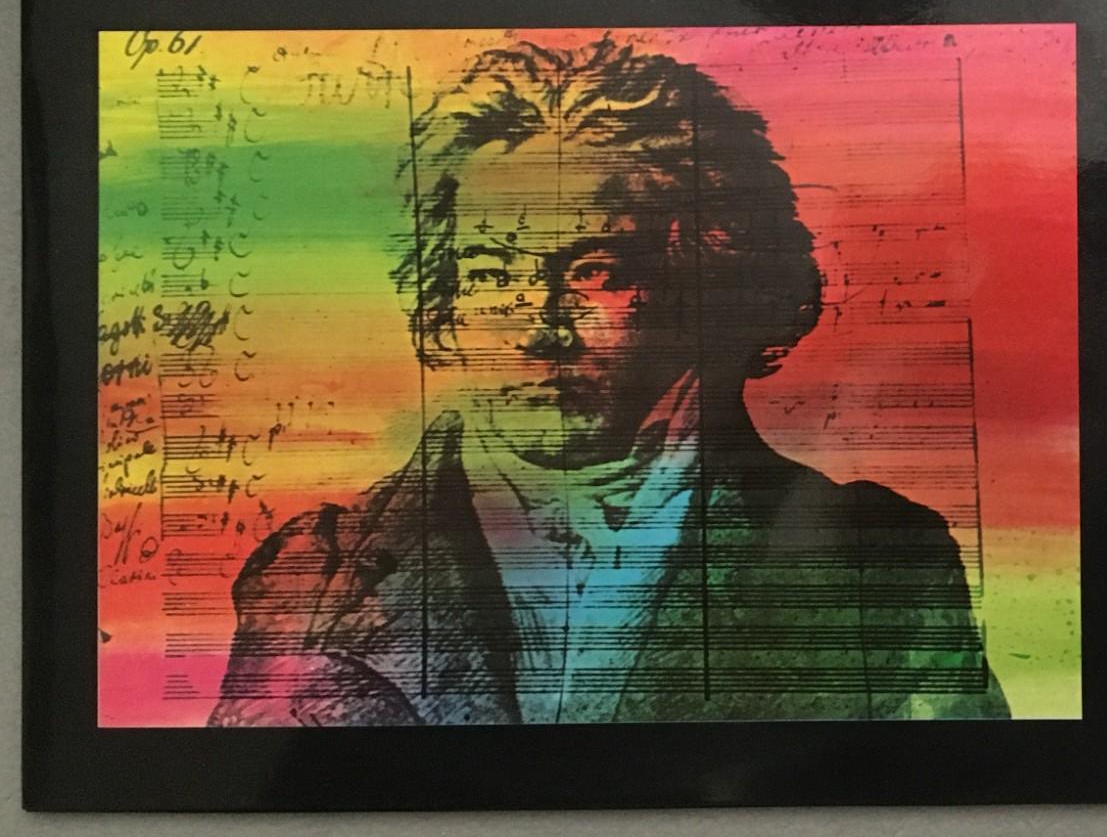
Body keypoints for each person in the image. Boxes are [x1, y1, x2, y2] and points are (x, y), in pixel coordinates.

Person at [208, 37, 1006, 725]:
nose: (535, 327)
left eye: (594, 272)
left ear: (713, 283)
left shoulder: (877, 558)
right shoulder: (312, 571)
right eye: (489, 274)